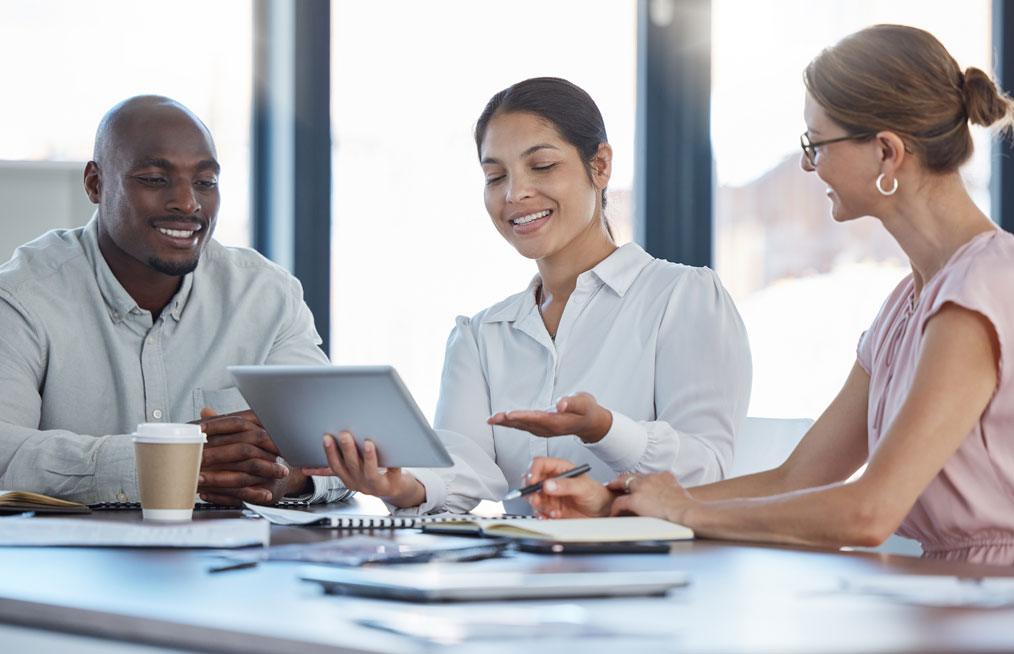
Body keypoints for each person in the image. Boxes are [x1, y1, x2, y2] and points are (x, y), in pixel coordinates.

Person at [522, 25, 1014, 566]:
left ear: (886, 153)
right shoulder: (907, 304)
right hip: (946, 599)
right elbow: (797, 477)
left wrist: (685, 513)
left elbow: (869, 513)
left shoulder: (980, 288)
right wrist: (617, 506)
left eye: (817, 144)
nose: (807, 164)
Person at [301, 77, 752, 515]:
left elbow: (708, 470)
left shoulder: (682, 297)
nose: (515, 193)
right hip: (524, 574)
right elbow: (464, 466)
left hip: (658, 575)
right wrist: (397, 484)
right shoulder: (482, 336)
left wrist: (605, 429)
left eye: (542, 166)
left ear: (600, 165)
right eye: (495, 176)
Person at [0, 96, 351, 506]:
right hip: (70, 565)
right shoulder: (23, 296)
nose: (187, 203)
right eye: (153, 178)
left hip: (234, 559)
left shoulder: (267, 296)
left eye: (205, 182)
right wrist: (169, 463)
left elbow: (339, 450)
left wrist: (284, 476)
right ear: (95, 183)